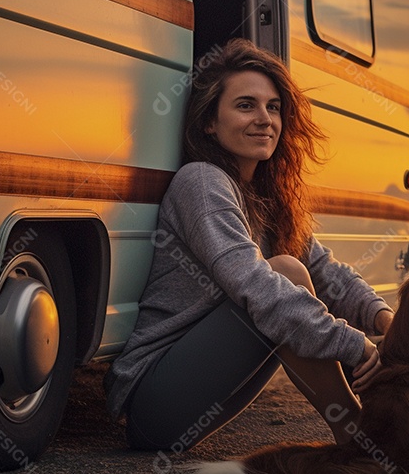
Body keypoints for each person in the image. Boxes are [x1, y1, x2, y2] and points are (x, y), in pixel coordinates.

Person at [104, 38, 393, 450]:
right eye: (245, 105)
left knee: (295, 274)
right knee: (283, 276)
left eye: (273, 107)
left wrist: (385, 320)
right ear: (209, 121)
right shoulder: (202, 182)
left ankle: (363, 434)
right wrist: (356, 347)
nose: (264, 119)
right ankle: (357, 435)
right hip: (154, 399)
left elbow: (328, 273)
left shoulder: (267, 195)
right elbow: (255, 285)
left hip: (201, 399)